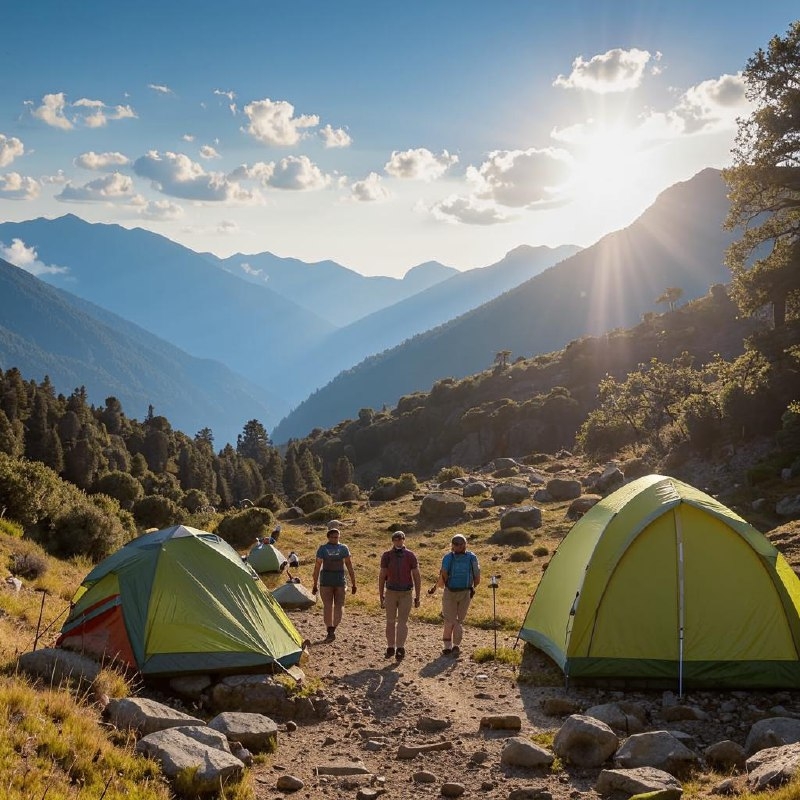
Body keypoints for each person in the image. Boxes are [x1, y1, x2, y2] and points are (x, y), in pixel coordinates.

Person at [428, 533, 480, 656]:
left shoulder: (471, 557)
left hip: (465, 591)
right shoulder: (449, 558)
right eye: (456, 543)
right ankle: (448, 645)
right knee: (450, 619)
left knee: (458, 619)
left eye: (460, 543)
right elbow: (444, 573)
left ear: (465, 544)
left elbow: (476, 574)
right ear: (452, 545)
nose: (458, 546)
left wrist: (473, 586)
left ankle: (455, 645)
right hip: (450, 591)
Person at [378, 531, 421, 661]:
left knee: (402, 622)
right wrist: (381, 595)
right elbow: (382, 576)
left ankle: (400, 647)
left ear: (404, 539)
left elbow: (416, 576)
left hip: (406, 592)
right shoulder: (387, 556)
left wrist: (418, 596)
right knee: (390, 621)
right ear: (393, 541)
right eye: (396, 539)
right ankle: (390, 646)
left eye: (400, 539)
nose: (398, 541)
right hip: (391, 592)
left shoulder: (410, 555)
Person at [312, 527, 356, 641]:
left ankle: (332, 629)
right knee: (328, 606)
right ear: (328, 537)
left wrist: (354, 582)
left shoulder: (343, 548)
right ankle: (330, 628)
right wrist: (314, 584)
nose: (335, 539)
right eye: (333, 537)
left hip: (339, 580)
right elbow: (317, 567)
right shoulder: (323, 548)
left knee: (339, 605)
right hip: (327, 580)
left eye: (337, 537)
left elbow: (349, 565)